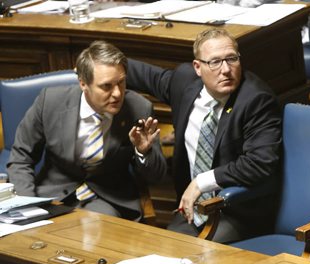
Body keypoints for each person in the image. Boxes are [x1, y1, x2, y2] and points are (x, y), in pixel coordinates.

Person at [126, 28, 282, 243]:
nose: (226, 70)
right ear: (198, 67)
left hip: (237, 212)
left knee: (200, 255)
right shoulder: (184, 82)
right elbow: (143, 75)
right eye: (215, 62)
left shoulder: (257, 100)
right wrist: (97, 61)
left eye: (232, 59)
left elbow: (259, 163)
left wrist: (202, 182)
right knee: (166, 251)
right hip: (193, 209)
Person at [7, 40, 169, 221]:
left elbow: (157, 177)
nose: (117, 93)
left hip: (108, 200)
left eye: (121, 83)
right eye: (106, 86)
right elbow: (21, 158)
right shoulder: (50, 102)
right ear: (83, 83)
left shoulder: (139, 108)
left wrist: (143, 151)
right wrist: (29, 205)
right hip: (54, 197)